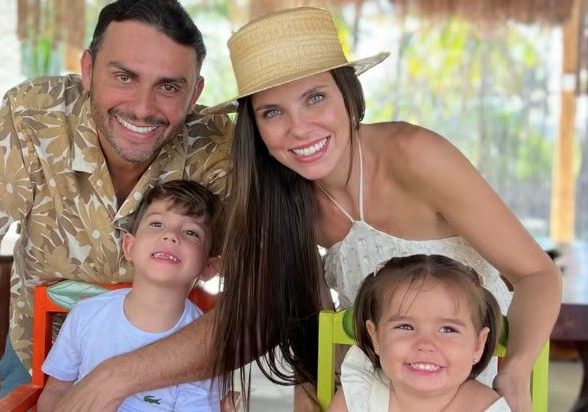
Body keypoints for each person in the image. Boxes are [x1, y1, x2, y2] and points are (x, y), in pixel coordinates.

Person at [204, 7, 561, 412]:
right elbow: (311, 321)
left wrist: (514, 372)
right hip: (373, 390)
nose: (298, 128)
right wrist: (307, 387)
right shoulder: (283, 199)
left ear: (347, 93)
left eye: (315, 98)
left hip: (470, 381)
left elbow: (538, 274)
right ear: (255, 128)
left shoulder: (416, 157)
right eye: (272, 112)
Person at [0, 0, 232, 410]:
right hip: (42, 360)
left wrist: (115, 377)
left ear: (194, 93)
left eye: (169, 87)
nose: (142, 108)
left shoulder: (218, 147)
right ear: (88, 70)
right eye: (124, 76)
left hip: (172, 370)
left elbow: (263, 295)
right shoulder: (36, 116)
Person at [37, 180, 222, 412]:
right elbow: (56, 391)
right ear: (130, 247)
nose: (170, 235)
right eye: (157, 224)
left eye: (190, 232)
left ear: (209, 268)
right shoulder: (86, 315)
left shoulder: (204, 343)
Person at [328, 254, 509, 412]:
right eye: (405, 327)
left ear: (477, 345)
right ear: (376, 337)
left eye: (448, 329)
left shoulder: (486, 407)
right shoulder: (360, 395)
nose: (425, 344)